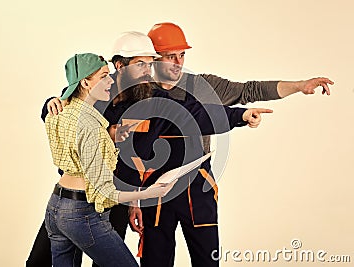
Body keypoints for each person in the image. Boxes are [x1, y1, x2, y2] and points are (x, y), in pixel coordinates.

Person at [27, 32, 272, 267]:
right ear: (120, 66)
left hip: (117, 198)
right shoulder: (99, 89)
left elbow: (193, 114)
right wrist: (49, 103)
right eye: (140, 64)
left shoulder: (152, 98)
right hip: (74, 199)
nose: (148, 71)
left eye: (151, 63)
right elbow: (62, 110)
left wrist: (240, 115)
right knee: (39, 261)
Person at [122, 22, 334, 267]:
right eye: (171, 57)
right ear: (154, 60)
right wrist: (133, 202)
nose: (179, 63)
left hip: (197, 191)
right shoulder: (138, 93)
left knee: (207, 261)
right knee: (155, 261)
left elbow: (249, 90)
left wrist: (298, 86)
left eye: (182, 55)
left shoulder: (202, 86)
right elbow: (130, 152)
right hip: (156, 192)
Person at [43, 52, 176, 267]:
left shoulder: (58, 113)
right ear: (85, 82)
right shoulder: (91, 127)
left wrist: (109, 135)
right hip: (81, 211)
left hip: (56, 205)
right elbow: (104, 193)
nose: (111, 80)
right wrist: (149, 193)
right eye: (104, 76)